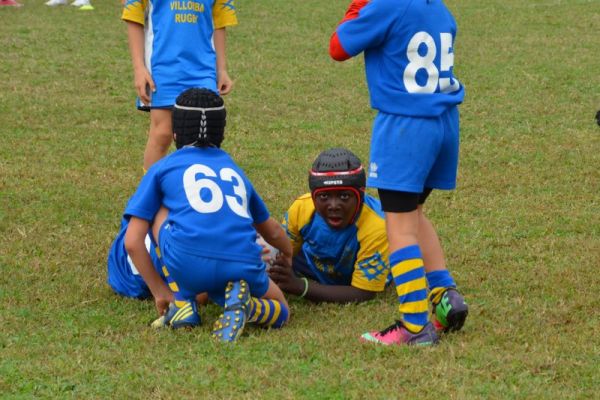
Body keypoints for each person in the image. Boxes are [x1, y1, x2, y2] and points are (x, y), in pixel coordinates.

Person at [330, 0, 468, 346]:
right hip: (444, 122)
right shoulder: (438, 8)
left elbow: (338, 47)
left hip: (406, 126)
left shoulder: (386, 5)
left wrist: (358, 6)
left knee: (400, 227)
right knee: (414, 213)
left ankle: (414, 325)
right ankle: (445, 298)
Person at [123, 87, 292, 342]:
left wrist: (159, 291)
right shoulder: (234, 170)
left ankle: (182, 301)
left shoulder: (162, 168)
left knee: (155, 209)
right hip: (242, 264)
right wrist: (289, 254)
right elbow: (273, 232)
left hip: (187, 265)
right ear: (222, 133)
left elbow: (132, 241)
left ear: (175, 132)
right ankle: (251, 308)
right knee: (282, 310)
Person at [122, 0, 236, 171]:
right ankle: (150, 192)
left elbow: (219, 22)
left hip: (203, 68)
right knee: (163, 133)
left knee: (205, 135)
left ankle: (195, 190)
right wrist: (139, 68)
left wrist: (221, 69)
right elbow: (133, 15)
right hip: (163, 66)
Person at [269, 148, 390, 303]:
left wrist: (300, 286)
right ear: (313, 197)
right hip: (312, 264)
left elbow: (364, 292)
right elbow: (283, 256)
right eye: (324, 196)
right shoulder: (301, 208)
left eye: (344, 196)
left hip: (353, 276)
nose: (334, 205)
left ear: (361, 195)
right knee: (265, 251)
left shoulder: (377, 226)